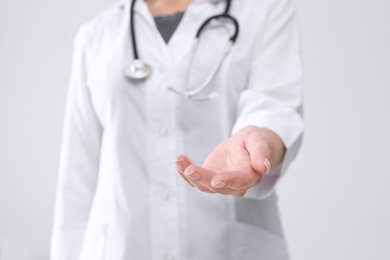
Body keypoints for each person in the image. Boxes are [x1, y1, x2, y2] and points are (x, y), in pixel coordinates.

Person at [51, 0, 304, 259]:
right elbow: (78, 179)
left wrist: (258, 140)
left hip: (225, 248)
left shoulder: (263, 9)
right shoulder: (98, 34)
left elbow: (273, 106)